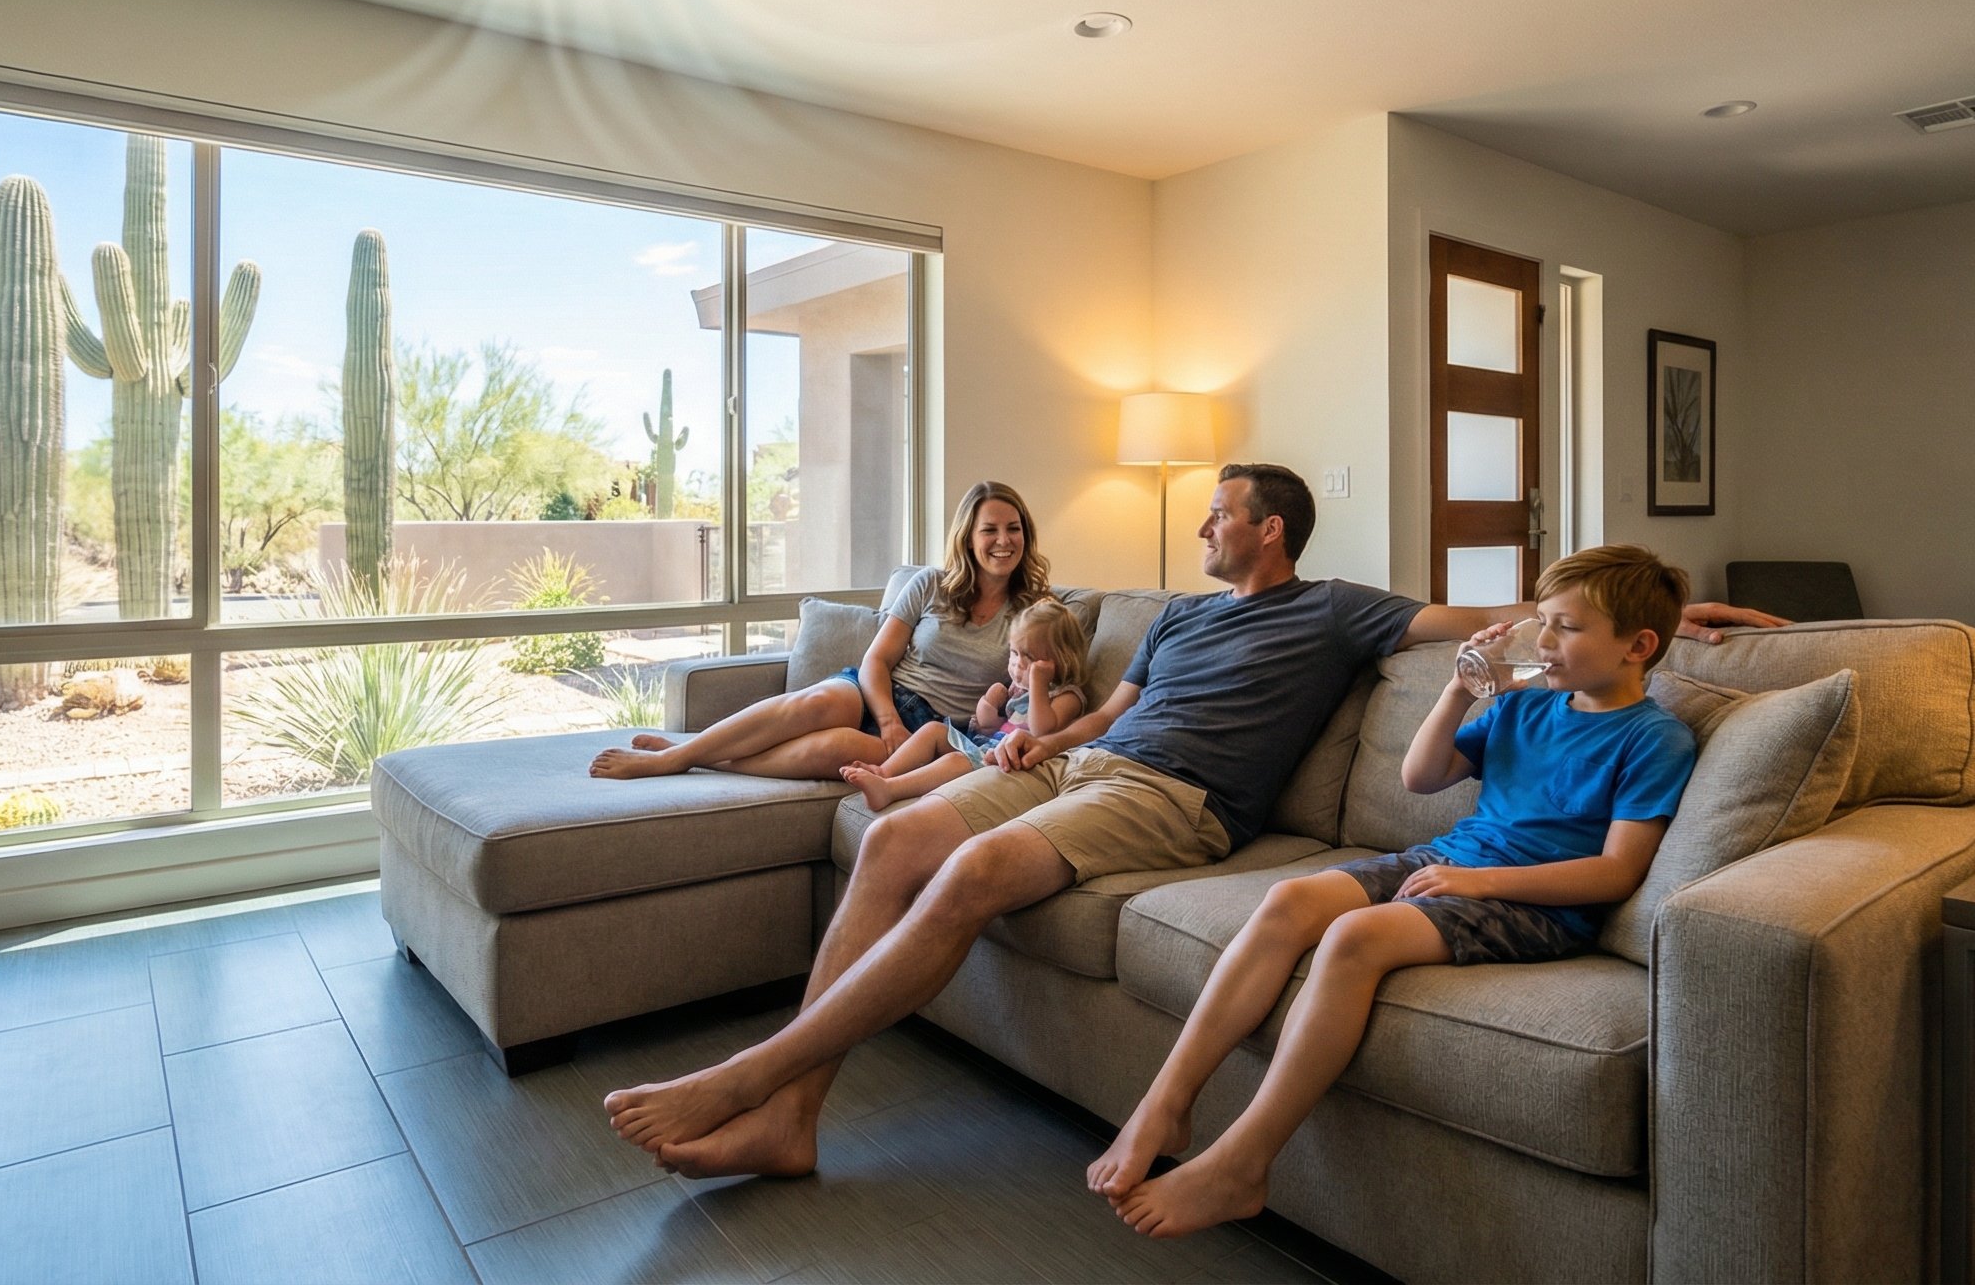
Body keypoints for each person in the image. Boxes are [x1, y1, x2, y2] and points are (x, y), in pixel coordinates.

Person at [601, 465, 1779, 1180]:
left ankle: (754, 1073)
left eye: (1220, 515)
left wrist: (1666, 605)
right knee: (902, 837)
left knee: (966, 874)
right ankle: (791, 1119)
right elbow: (1110, 711)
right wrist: (1030, 739)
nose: (1204, 531)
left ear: (1269, 529)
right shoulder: (1173, 621)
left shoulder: (1338, 613)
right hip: (1089, 764)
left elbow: (1512, 619)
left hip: (1176, 802)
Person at [1092, 544, 1701, 1239]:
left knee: (1355, 936)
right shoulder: (1525, 709)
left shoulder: (1654, 739)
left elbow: (1617, 871)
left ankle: (1242, 1162)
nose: (1543, 640)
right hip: (1448, 857)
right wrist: (1457, 692)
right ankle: (1167, 1102)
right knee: (1291, 900)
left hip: (1538, 903)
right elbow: (1422, 775)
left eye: (1566, 626)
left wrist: (1478, 881)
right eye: (1542, 622)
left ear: (1638, 645)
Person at [589, 481, 1051, 781]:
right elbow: (877, 660)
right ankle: (673, 759)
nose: (1003, 540)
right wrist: (888, 717)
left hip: (936, 730)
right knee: (816, 701)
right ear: (968, 537)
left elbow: (1047, 683)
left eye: (1013, 529)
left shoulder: (1035, 613)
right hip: (884, 693)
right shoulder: (930, 584)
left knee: (831, 751)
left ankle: (697, 754)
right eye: (989, 529)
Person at [841, 598, 1091, 813]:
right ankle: (883, 772)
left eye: (1031, 658)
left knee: (957, 761)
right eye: (1014, 653)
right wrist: (988, 707)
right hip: (987, 746)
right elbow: (992, 727)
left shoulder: (1067, 696)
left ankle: (889, 790)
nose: (1017, 665)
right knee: (933, 730)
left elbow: (1041, 731)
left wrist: (1037, 684)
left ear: (1062, 659)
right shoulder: (1019, 691)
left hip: (1008, 763)